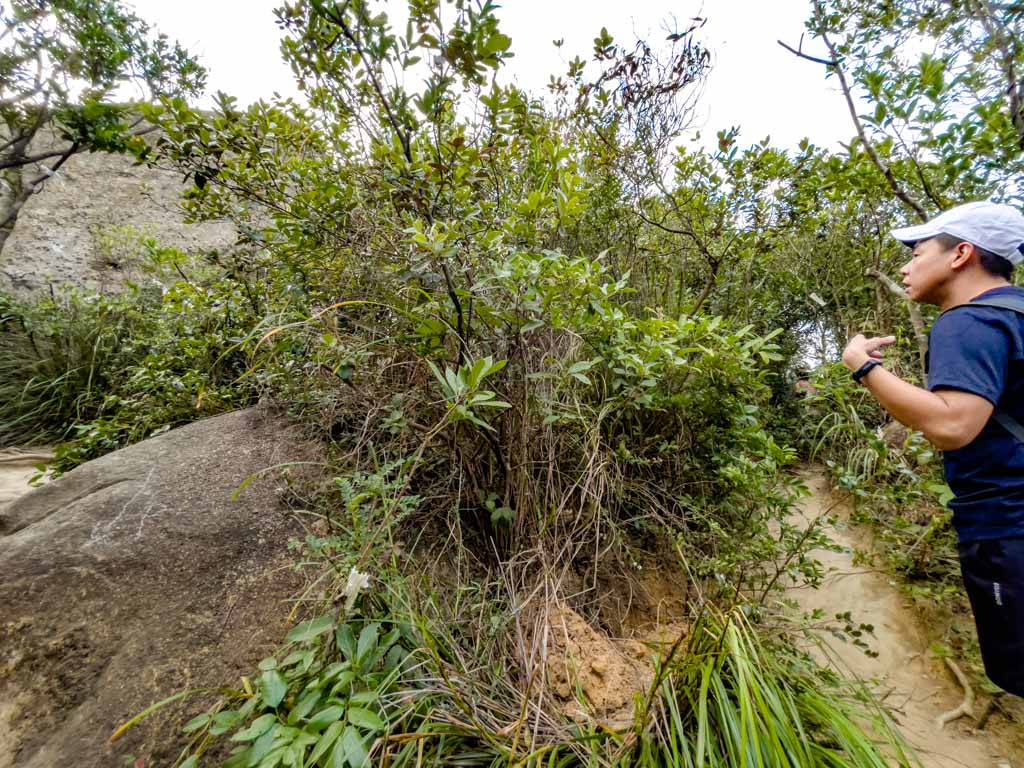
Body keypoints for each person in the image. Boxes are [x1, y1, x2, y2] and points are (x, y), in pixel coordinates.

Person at [841, 200, 1024, 698]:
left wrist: (862, 366)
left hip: (1007, 527)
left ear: (962, 254)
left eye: (918, 251)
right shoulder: (1015, 314)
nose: (905, 265)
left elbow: (952, 425)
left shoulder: (968, 321)